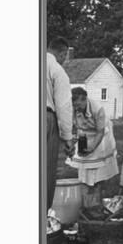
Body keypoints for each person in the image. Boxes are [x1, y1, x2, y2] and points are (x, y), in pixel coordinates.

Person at [67, 87, 119, 218]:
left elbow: (100, 132)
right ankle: (87, 204)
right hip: (84, 135)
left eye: (78, 104)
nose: (76, 108)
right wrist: (71, 144)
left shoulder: (97, 109)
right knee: (84, 173)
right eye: (74, 105)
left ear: (85, 99)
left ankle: (96, 205)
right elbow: (72, 128)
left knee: (97, 175)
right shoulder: (73, 108)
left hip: (100, 137)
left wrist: (92, 148)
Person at [46, 38, 75, 214]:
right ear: (63, 53)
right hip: (45, 117)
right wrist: (67, 138)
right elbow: (64, 106)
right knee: (45, 170)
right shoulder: (56, 69)